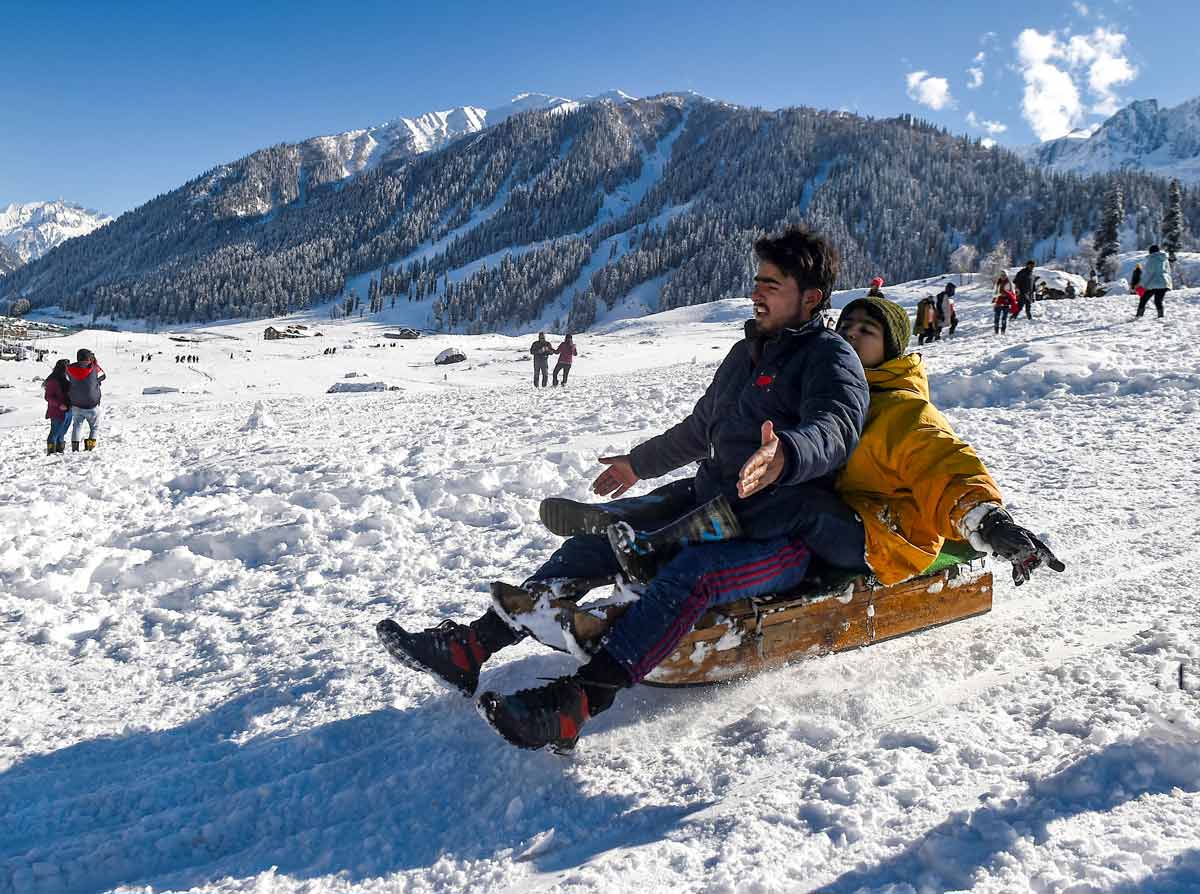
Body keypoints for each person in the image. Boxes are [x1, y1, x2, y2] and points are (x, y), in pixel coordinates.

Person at [377, 226, 870, 752]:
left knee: (689, 576)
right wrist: (638, 464)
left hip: (782, 529)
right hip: (715, 501)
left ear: (811, 297)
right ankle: (472, 647)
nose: (756, 292)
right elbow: (700, 429)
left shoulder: (829, 357)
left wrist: (786, 454)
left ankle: (577, 704)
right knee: (596, 541)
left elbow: (837, 426)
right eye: (757, 280)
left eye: (772, 284)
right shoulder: (745, 354)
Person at [833, 295, 1064, 585]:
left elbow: (942, 464)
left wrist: (988, 522)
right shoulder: (831, 391)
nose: (851, 333)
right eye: (846, 326)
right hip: (850, 510)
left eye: (867, 330)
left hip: (891, 536)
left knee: (800, 511)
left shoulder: (902, 409)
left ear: (889, 349)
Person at [65, 348, 105, 451]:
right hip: (92, 404)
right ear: (89, 358)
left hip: (76, 403)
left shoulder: (69, 369)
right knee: (94, 427)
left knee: (77, 426)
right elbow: (103, 376)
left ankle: (75, 449)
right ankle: (89, 449)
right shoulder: (94, 367)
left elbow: (67, 380)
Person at [42, 359, 71, 454]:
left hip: (68, 410)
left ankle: (60, 451)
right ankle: (51, 452)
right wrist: (59, 405)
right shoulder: (53, 380)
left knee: (62, 433)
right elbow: (48, 397)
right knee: (54, 433)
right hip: (57, 411)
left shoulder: (68, 378)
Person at [1137, 245, 1173, 319]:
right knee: (1158, 301)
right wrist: (1169, 284)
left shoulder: (1151, 260)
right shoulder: (1164, 259)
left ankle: (1138, 316)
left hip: (1153, 283)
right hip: (1163, 283)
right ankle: (1161, 317)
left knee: (1143, 299)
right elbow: (1168, 272)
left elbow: (1148, 274)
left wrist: (1142, 285)